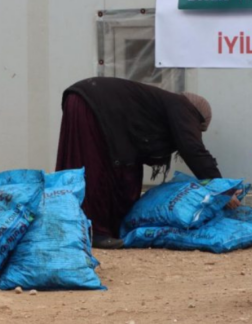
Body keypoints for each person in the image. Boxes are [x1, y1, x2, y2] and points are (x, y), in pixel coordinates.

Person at [55, 77, 237, 249]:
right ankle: (96, 233)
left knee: (92, 168)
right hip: (92, 103)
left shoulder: (162, 106)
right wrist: (222, 189)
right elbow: (194, 150)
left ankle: (72, 228)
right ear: (197, 118)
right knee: (95, 170)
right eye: (198, 128)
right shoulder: (183, 107)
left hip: (83, 99)